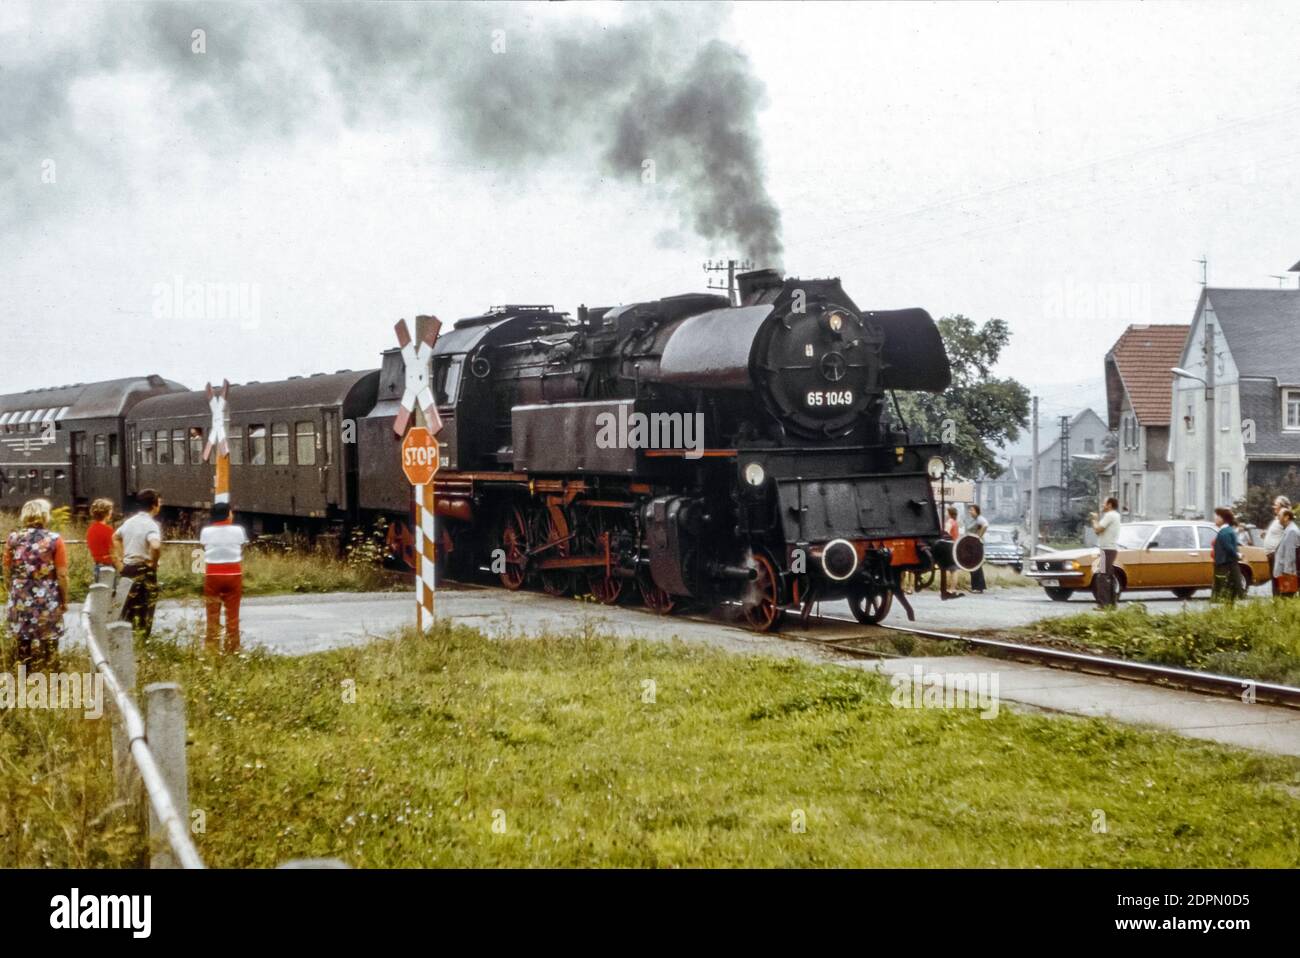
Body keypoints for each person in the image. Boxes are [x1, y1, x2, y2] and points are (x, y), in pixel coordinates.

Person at [2, 498, 69, 670]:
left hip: (20, 595)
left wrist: (12, 589)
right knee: (50, 637)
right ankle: (53, 675)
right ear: (45, 516)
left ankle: (23, 676)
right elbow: (62, 574)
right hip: (46, 595)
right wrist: (64, 599)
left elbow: (7, 569)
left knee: (22, 638)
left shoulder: (13, 539)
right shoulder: (55, 540)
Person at [199, 502, 248, 653]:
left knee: (212, 613)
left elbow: (203, 547)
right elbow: (243, 546)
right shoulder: (238, 530)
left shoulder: (206, 531)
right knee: (232, 614)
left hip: (212, 574)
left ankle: (211, 648)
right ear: (228, 514)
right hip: (233, 574)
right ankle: (232, 648)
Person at [115, 489, 163, 637]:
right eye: (159, 503)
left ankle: (125, 643)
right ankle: (142, 642)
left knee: (127, 609)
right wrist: (153, 563)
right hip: (144, 571)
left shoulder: (129, 522)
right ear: (154, 506)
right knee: (145, 611)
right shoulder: (151, 525)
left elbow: (115, 537)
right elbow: (155, 545)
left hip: (127, 569)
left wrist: (121, 558)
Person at [1090, 496, 1121, 608]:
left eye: (1104, 503)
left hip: (1106, 549)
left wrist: (1094, 520)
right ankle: (1112, 603)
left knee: (1102, 575)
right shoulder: (1116, 516)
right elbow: (1100, 532)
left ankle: (1103, 604)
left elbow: (1098, 529)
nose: (1102, 506)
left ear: (1110, 505)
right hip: (1111, 549)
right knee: (1109, 575)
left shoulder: (1109, 515)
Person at [1211, 506, 1244, 602]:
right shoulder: (1228, 530)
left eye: (1217, 516)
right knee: (1230, 594)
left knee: (1226, 592)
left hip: (1225, 566)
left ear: (1222, 519)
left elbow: (1228, 548)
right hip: (1229, 565)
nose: (1215, 519)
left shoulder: (1224, 532)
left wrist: (1237, 555)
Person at [1262, 495, 1292, 596]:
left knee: (1278, 581)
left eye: (1276, 504)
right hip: (1272, 555)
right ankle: (1277, 603)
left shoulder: (1284, 518)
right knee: (1275, 581)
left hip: (1277, 555)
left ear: (1282, 506)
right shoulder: (1278, 519)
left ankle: (1281, 603)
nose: (1273, 506)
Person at [86, 498, 119, 583]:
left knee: (100, 592)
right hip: (108, 567)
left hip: (97, 565)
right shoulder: (108, 530)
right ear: (107, 513)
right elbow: (112, 552)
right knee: (110, 593)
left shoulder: (90, 530)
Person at [1272, 507, 1300, 599]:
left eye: (1279, 515)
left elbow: (1290, 554)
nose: (1277, 518)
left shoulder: (1291, 531)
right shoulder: (1288, 530)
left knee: (1286, 598)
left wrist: (1287, 573)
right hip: (1285, 573)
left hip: (1287, 574)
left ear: (1286, 517)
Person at [940, 506, 963, 600]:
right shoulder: (955, 522)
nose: (945, 513)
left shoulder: (949, 522)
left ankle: (952, 589)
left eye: (946, 512)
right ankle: (952, 588)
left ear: (949, 513)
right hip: (955, 545)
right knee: (953, 569)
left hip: (950, 546)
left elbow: (946, 533)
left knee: (953, 569)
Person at [966, 504, 989, 593]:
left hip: (976, 544)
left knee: (975, 565)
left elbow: (985, 525)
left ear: (977, 511)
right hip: (972, 544)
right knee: (973, 565)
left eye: (972, 510)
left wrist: (978, 536)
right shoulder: (974, 520)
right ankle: (976, 586)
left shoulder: (980, 518)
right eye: (970, 510)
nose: (970, 511)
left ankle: (978, 587)